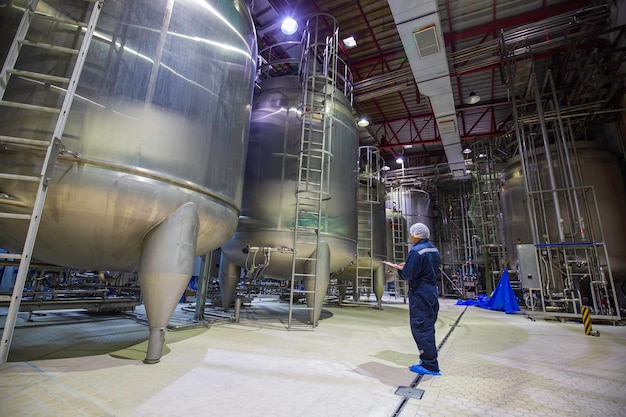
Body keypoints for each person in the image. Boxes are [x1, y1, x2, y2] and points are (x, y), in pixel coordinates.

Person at [397, 222, 441, 376]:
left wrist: (400, 269)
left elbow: (408, 274)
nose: (410, 235)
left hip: (420, 293)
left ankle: (430, 365)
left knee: (421, 327)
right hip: (431, 291)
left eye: (411, 233)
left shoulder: (416, 251)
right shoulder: (433, 249)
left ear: (415, 235)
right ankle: (428, 359)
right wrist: (409, 266)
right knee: (428, 326)